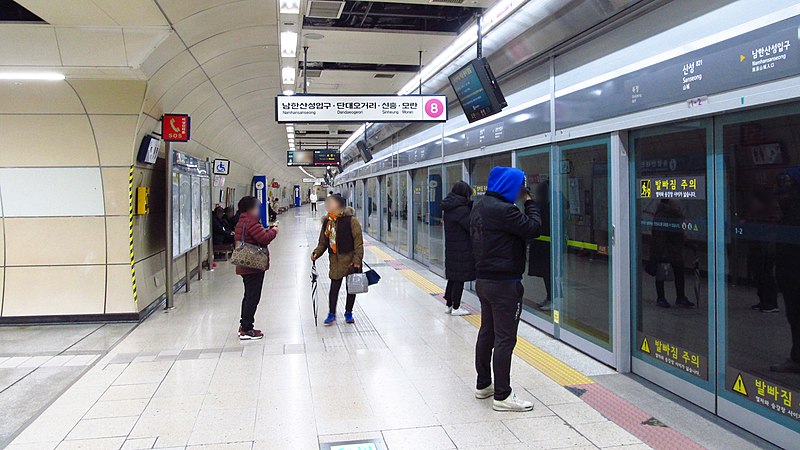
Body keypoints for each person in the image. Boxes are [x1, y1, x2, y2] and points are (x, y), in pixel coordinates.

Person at [470, 166, 541, 412]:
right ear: (510, 186)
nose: (521, 191)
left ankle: (483, 385)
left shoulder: (480, 206)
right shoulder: (504, 210)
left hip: (484, 281)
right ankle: (502, 395)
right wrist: (530, 202)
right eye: (520, 186)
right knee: (505, 338)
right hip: (505, 284)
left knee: (487, 333)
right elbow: (533, 228)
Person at [311, 194, 364, 326]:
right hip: (335, 260)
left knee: (350, 288)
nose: (328, 205)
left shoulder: (352, 221)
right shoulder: (327, 222)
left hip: (351, 260)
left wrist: (357, 259)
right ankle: (331, 313)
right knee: (334, 288)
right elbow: (323, 242)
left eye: (331, 203)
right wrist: (316, 253)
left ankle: (348, 312)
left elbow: (359, 243)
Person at [234, 196, 278, 340]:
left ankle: (244, 325)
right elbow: (264, 239)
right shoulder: (251, 221)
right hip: (253, 265)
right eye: (257, 207)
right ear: (251, 208)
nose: (258, 210)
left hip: (245, 264)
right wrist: (274, 231)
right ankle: (247, 329)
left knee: (248, 296)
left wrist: (266, 230)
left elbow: (254, 236)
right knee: (253, 296)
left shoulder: (242, 220)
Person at [772, 168, 800, 373]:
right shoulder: (788, 212)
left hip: (793, 273)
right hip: (789, 273)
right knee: (794, 315)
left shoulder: (793, 213)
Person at [650, 199, 694, 308]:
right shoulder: (663, 215)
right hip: (666, 250)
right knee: (662, 273)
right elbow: (659, 236)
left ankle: (680, 296)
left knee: (679, 273)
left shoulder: (674, 214)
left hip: (674, 249)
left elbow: (680, 232)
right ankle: (661, 297)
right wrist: (661, 251)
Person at [441, 181, 475, 316]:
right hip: (462, 247)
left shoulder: (450, 207)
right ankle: (456, 307)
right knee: (459, 277)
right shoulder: (461, 209)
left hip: (452, 246)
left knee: (453, 277)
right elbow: (470, 226)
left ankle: (449, 304)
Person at [528, 181, 552, 311]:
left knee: (550, 273)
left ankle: (553, 298)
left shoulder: (551, 205)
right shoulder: (540, 205)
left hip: (548, 246)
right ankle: (550, 297)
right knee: (545, 273)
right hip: (541, 244)